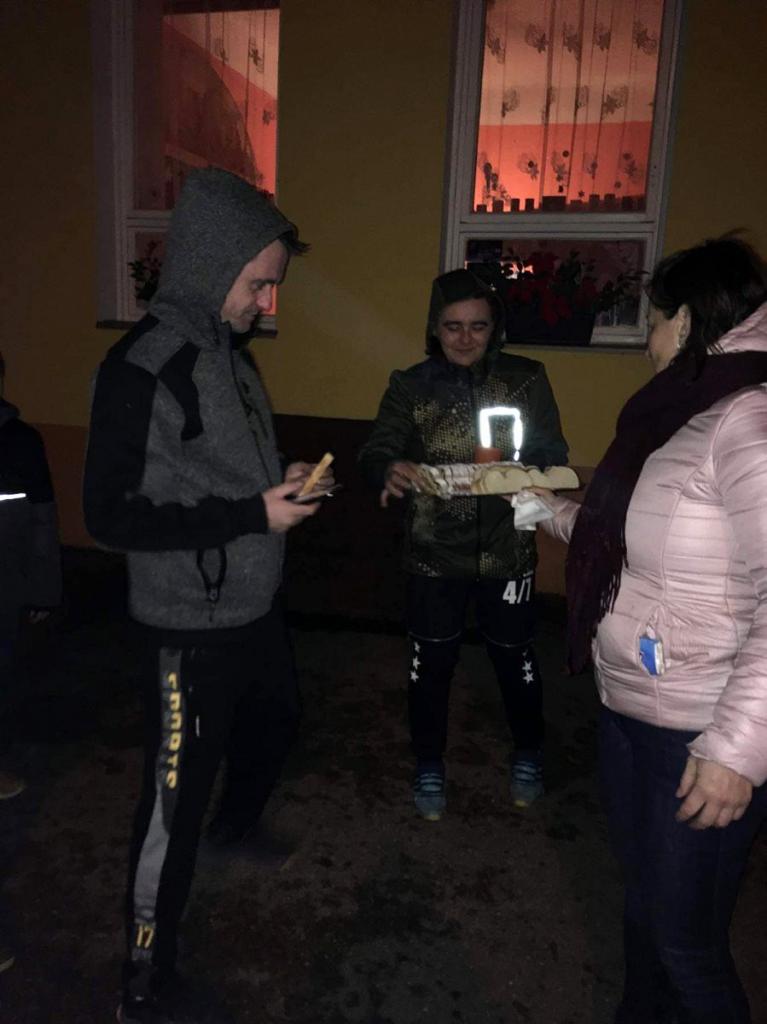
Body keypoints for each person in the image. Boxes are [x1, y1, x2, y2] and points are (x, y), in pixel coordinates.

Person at [83, 168, 332, 1024]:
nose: (266, 302)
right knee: (172, 800)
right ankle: (143, 974)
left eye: (272, 285)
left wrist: (281, 481)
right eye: (258, 283)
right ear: (207, 265)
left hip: (251, 605)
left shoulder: (228, 352)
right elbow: (108, 515)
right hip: (187, 622)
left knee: (278, 717)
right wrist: (252, 513)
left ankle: (234, 829)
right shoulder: (140, 368)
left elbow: (221, 471)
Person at [534, 237, 767, 1023]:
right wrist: (541, 509)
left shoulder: (746, 417)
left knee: (685, 941)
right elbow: (635, 539)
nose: (646, 340)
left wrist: (734, 752)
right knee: (642, 902)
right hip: (630, 706)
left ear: (687, 320)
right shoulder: (682, 414)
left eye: (653, 321)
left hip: (699, 730)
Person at [358, 269, 568, 820]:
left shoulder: (526, 378)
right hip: (433, 551)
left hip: (508, 549)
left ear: (495, 327)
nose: (466, 338)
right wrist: (389, 466)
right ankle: (428, 762)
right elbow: (377, 449)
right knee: (430, 664)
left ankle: (528, 751)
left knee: (516, 660)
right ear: (434, 328)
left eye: (478, 325)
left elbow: (552, 449)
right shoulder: (410, 385)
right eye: (453, 326)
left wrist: (532, 472)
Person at [0, 349, 61, 974]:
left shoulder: (19, 441)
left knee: (4, 679)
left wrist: (43, 590)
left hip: (4, 594)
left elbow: (42, 520)